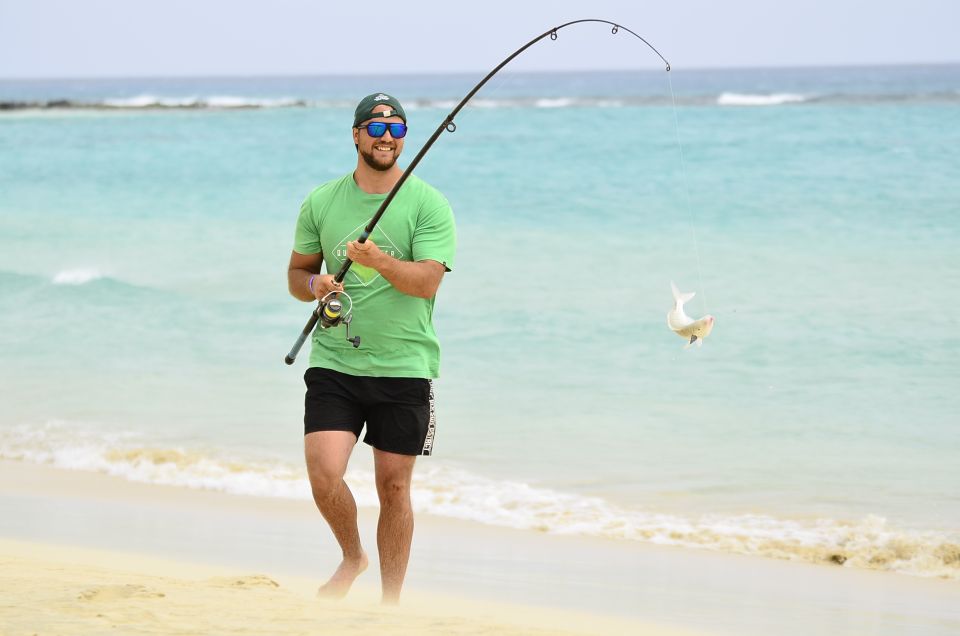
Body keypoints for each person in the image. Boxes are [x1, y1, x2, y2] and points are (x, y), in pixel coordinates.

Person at [286, 92, 456, 604]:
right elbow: (296, 275)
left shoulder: (428, 202)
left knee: (394, 488)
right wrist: (316, 286)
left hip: (405, 366)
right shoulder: (322, 201)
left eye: (397, 129)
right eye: (376, 127)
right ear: (356, 135)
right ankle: (353, 555)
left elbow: (426, 283)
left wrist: (379, 260)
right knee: (324, 474)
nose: (386, 136)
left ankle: (390, 604)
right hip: (336, 361)